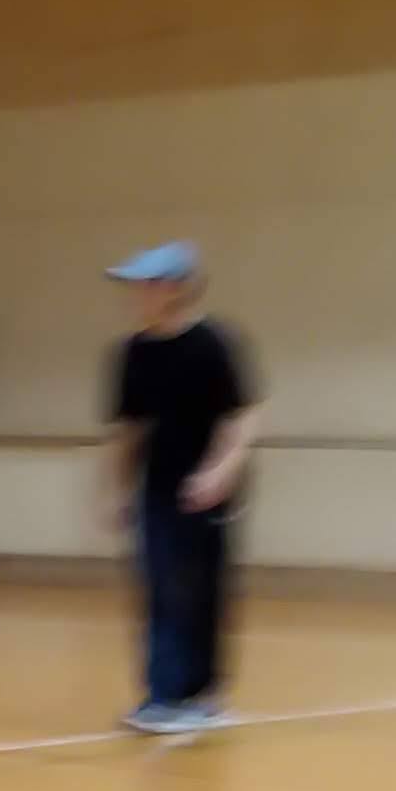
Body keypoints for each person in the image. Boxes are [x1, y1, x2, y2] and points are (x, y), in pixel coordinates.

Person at [100, 243, 262, 736]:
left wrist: (220, 471)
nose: (137, 295)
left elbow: (243, 416)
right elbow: (129, 429)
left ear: (175, 288)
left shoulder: (214, 343)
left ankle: (201, 695)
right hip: (157, 485)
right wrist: (117, 490)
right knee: (158, 584)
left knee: (199, 588)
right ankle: (163, 694)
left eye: (146, 285)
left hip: (208, 490)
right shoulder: (133, 352)